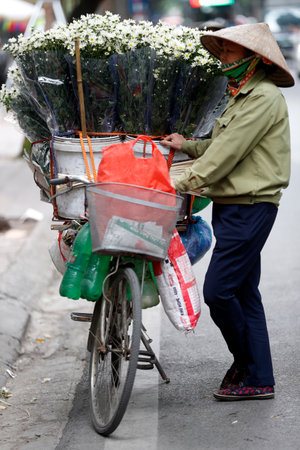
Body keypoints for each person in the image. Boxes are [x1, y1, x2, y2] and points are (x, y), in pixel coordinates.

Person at [161, 23, 294, 401]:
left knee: (219, 292)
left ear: (255, 59)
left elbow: (225, 155)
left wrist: (177, 184)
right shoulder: (242, 97)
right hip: (234, 206)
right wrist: (186, 144)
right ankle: (259, 376)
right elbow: (218, 144)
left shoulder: (263, 99)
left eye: (229, 52)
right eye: (220, 52)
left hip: (251, 207)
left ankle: (246, 366)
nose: (223, 59)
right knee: (245, 292)